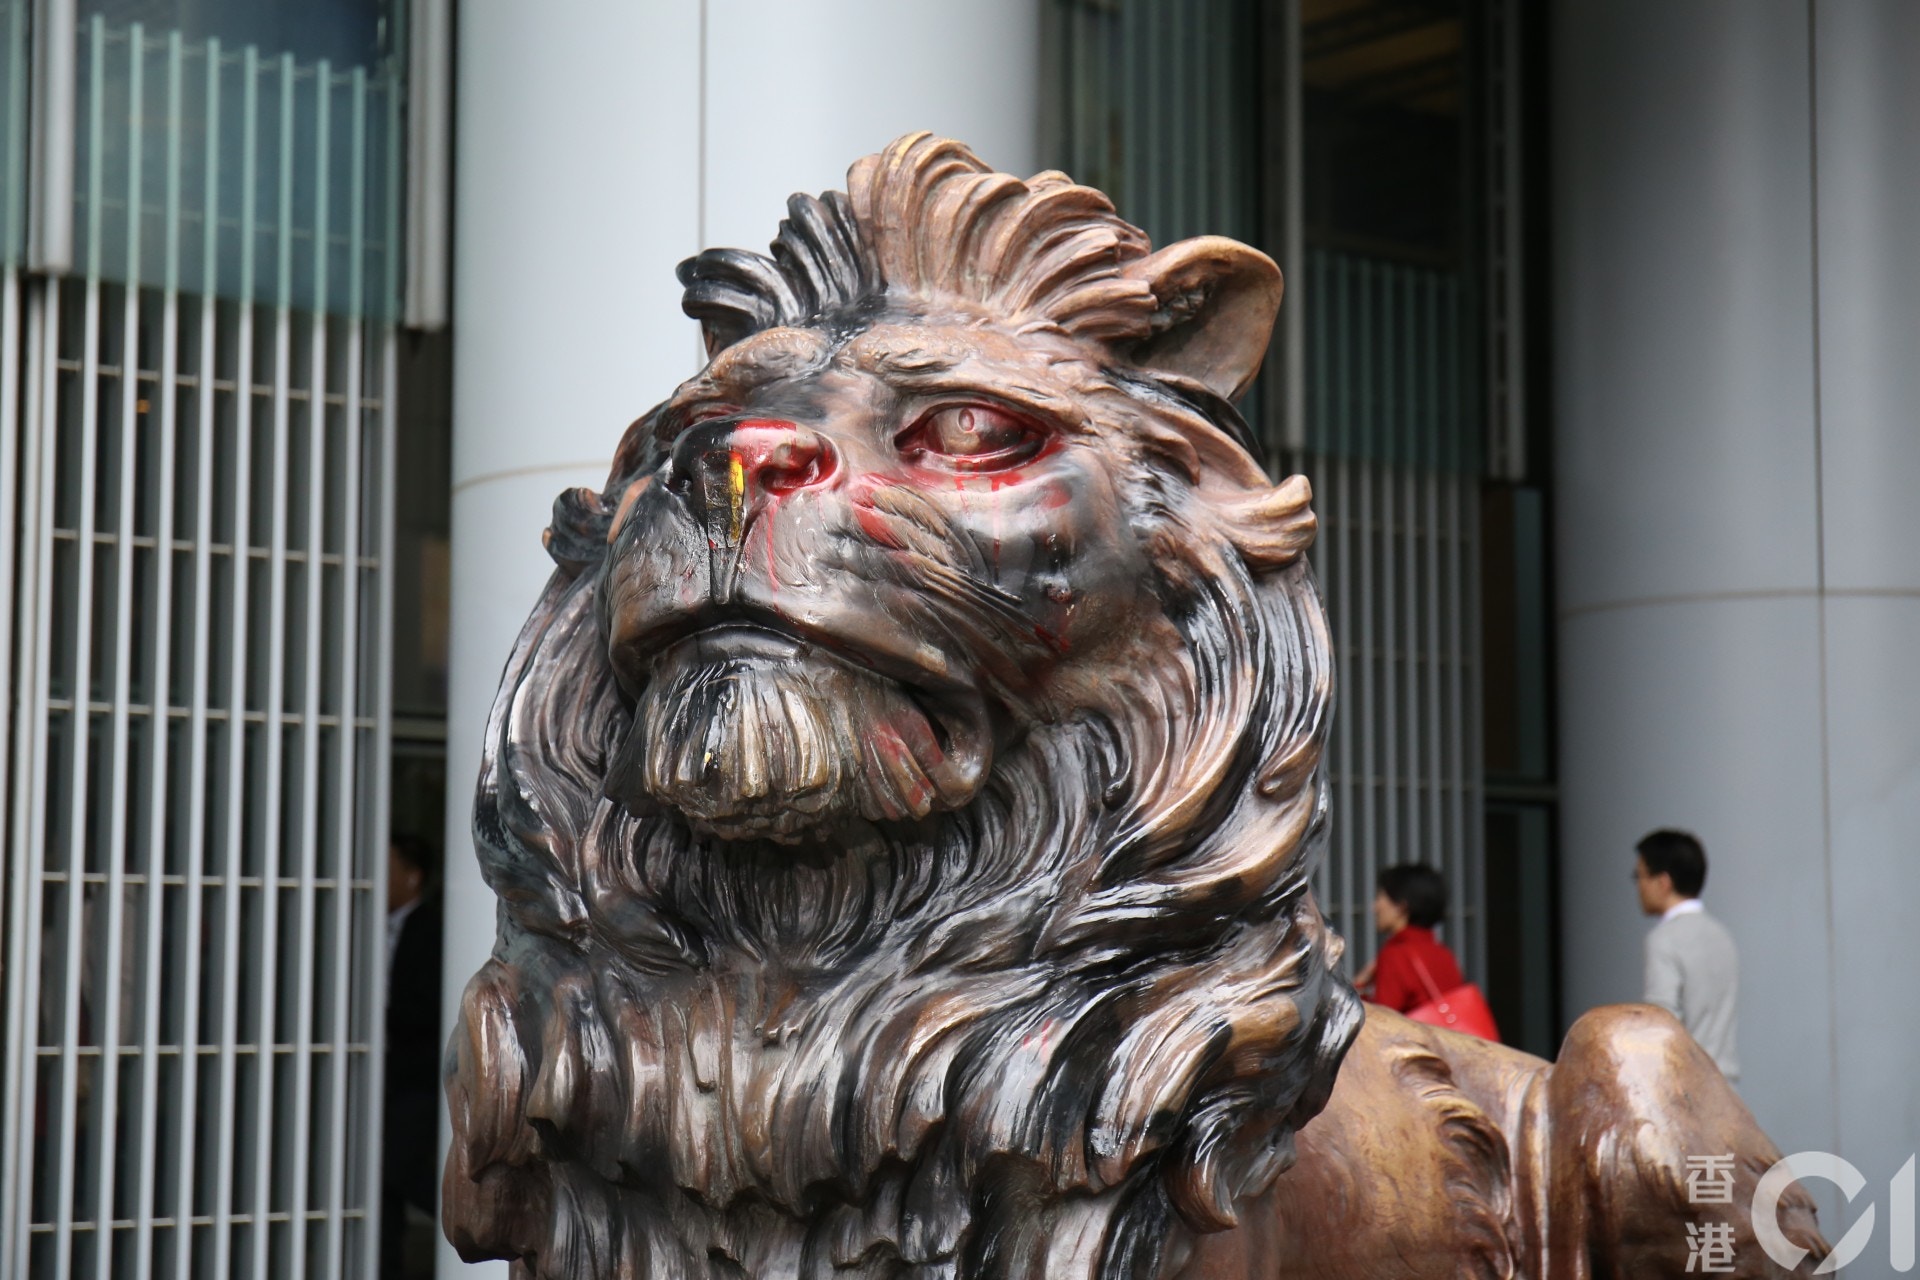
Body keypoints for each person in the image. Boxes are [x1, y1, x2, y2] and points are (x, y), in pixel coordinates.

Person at [383, 834, 444, 1278]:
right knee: (377, 1181)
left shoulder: (431, 929)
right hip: (380, 1076)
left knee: (399, 1170)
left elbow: (428, 1006)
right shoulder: (362, 923)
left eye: (386, 869)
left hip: (414, 1076)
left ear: (412, 876)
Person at [1634, 828, 1739, 1081]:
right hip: (1726, 1087)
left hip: (1685, 1088)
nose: (1638, 886)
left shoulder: (1664, 939)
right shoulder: (1722, 936)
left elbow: (1661, 1023)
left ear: (1663, 882)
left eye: (1640, 876)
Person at [1354, 864, 1463, 1015]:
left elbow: (1383, 1019)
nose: (1375, 907)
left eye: (1380, 897)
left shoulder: (1396, 955)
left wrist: (1359, 987)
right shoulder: (1445, 954)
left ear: (1401, 907)